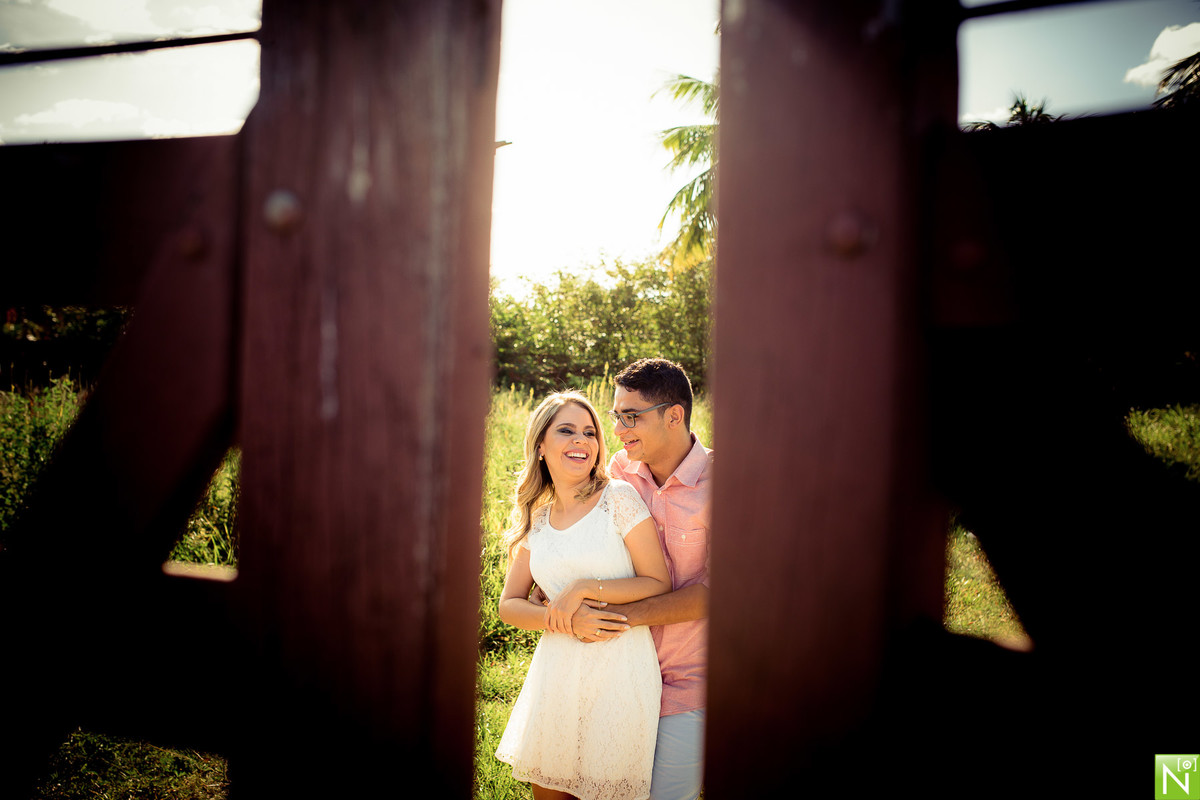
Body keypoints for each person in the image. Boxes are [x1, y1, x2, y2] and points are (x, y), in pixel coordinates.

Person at [495, 391, 673, 800]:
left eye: (589, 432)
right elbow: (509, 604)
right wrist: (564, 620)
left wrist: (582, 588)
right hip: (555, 672)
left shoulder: (619, 499)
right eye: (567, 431)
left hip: (620, 669)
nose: (581, 441)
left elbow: (657, 582)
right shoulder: (536, 520)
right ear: (541, 445)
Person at [569, 358, 712, 800]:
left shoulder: (727, 484)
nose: (617, 430)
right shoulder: (617, 472)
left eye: (631, 417)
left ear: (675, 415)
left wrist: (617, 616)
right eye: (615, 416)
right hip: (616, 676)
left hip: (688, 686)